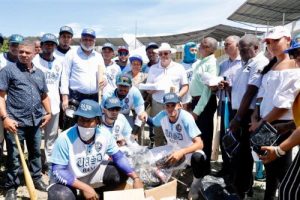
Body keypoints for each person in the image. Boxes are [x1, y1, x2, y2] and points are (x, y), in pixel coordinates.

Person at [48, 99, 143, 200]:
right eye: (81, 119)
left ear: (98, 120)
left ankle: (97, 195)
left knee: (120, 173)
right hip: (68, 177)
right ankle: (81, 193)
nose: (84, 124)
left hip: (90, 173)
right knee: (61, 196)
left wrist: (135, 178)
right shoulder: (64, 138)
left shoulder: (104, 134)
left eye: (89, 120)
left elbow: (118, 156)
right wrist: (85, 187)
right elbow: (58, 170)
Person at [249, 26, 300, 200]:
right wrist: (255, 115)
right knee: (270, 168)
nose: (272, 45)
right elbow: (261, 95)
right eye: (269, 42)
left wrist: (261, 122)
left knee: (283, 173)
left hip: (282, 126)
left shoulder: (295, 66)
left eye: (276, 40)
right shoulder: (271, 66)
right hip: (265, 123)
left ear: (288, 39)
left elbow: (284, 106)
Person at [0, 40, 51, 199]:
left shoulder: (40, 73)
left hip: (35, 121)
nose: (23, 55)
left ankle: (36, 178)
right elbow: (1, 96)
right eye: (20, 51)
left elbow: (44, 95)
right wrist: (5, 118)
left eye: (27, 52)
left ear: (35, 53)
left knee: (35, 153)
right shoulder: (8, 70)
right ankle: (11, 186)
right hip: (15, 122)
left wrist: (49, 113)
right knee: (14, 157)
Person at [223, 34, 269, 198]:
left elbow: (250, 92)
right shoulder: (246, 63)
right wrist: (229, 87)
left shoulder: (259, 62)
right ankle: (242, 187)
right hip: (239, 112)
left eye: (244, 49)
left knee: (246, 154)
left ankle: (243, 189)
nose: (241, 52)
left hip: (248, 114)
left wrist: (238, 118)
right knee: (239, 153)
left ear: (256, 48)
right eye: (239, 49)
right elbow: (240, 89)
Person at [139, 93, 206, 199]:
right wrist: (144, 115)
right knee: (148, 161)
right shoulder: (163, 114)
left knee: (199, 157)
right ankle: (165, 180)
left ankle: (195, 184)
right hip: (172, 150)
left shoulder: (186, 118)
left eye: (173, 105)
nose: (170, 109)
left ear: (179, 105)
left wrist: (182, 152)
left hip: (189, 151)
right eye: (167, 105)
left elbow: (200, 144)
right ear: (164, 106)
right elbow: (153, 122)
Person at [60, 28, 106, 128]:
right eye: (85, 39)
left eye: (90, 40)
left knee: (91, 126)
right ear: (81, 40)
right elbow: (65, 76)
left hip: (94, 97)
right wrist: (64, 98)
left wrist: (104, 80)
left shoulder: (98, 56)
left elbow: (103, 74)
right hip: (76, 97)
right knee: (71, 125)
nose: (88, 42)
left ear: (94, 41)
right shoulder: (71, 54)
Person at [146, 43, 188, 147]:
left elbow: (185, 86)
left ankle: (176, 157)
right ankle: (160, 157)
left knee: (176, 132)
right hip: (158, 104)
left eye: (166, 53)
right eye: (161, 54)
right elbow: (148, 88)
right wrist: (152, 89)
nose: (163, 55)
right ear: (158, 55)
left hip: (174, 105)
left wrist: (178, 97)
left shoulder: (179, 67)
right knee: (158, 132)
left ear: (170, 54)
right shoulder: (153, 68)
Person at [189, 37, 219, 175]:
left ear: (210, 49)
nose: (199, 46)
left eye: (203, 45)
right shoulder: (201, 62)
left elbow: (207, 90)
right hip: (196, 101)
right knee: (195, 134)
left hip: (204, 103)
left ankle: (203, 168)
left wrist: (197, 111)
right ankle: (196, 163)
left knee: (204, 136)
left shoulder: (212, 63)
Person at [32, 33, 63, 168]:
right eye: (46, 44)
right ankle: (36, 165)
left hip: (54, 105)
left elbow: (61, 83)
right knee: (36, 138)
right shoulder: (34, 61)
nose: (49, 46)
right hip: (37, 106)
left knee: (51, 137)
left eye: (52, 44)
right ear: (42, 46)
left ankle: (50, 162)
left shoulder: (59, 63)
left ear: (55, 46)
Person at [215, 35, 242, 177]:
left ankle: (235, 171)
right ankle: (226, 167)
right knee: (223, 137)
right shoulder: (223, 64)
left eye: (228, 44)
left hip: (237, 106)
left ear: (238, 45)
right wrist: (219, 85)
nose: (225, 47)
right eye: (224, 44)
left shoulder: (244, 63)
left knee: (235, 137)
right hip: (223, 103)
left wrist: (230, 87)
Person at [102, 74, 145, 139]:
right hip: (110, 117)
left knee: (130, 138)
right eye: (121, 86)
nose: (123, 89)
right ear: (116, 84)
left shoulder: (135, 92)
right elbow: (102, 113)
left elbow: (140, 112)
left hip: (126, 115)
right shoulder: (108, 95)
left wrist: (134, 132)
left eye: (126, 86)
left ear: (130, 87)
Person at [180, 42, 200, 110]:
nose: (194, 52)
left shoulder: (200, 63)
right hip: (184, 100)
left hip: (198, 99)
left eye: (195, 50)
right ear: (186, 51)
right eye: (192, 50)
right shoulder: (180, 66)